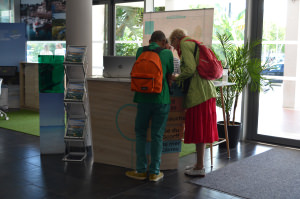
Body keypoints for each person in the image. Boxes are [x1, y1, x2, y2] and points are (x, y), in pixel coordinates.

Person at [125, 30, 174, 182]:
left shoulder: (141, 51)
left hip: (143, 98)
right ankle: (154, 172)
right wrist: (168, 50)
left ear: (150, 40)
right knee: (157, 136)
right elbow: (171, 72)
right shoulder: (167, 54)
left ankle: (140, 170)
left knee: (140, 133)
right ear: (163, 41)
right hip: (161, 99)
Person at [169, 28, 219, 176]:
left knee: (199, 130)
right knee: (201, 130)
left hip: (199, 93)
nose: (174, 48)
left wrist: (175, 77)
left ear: (176, 39)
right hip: (205, 90)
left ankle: (199, 167)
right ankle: (199, 165)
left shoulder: (184, 44)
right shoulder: (193, 42)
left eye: (172, 44)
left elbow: (190, 69)